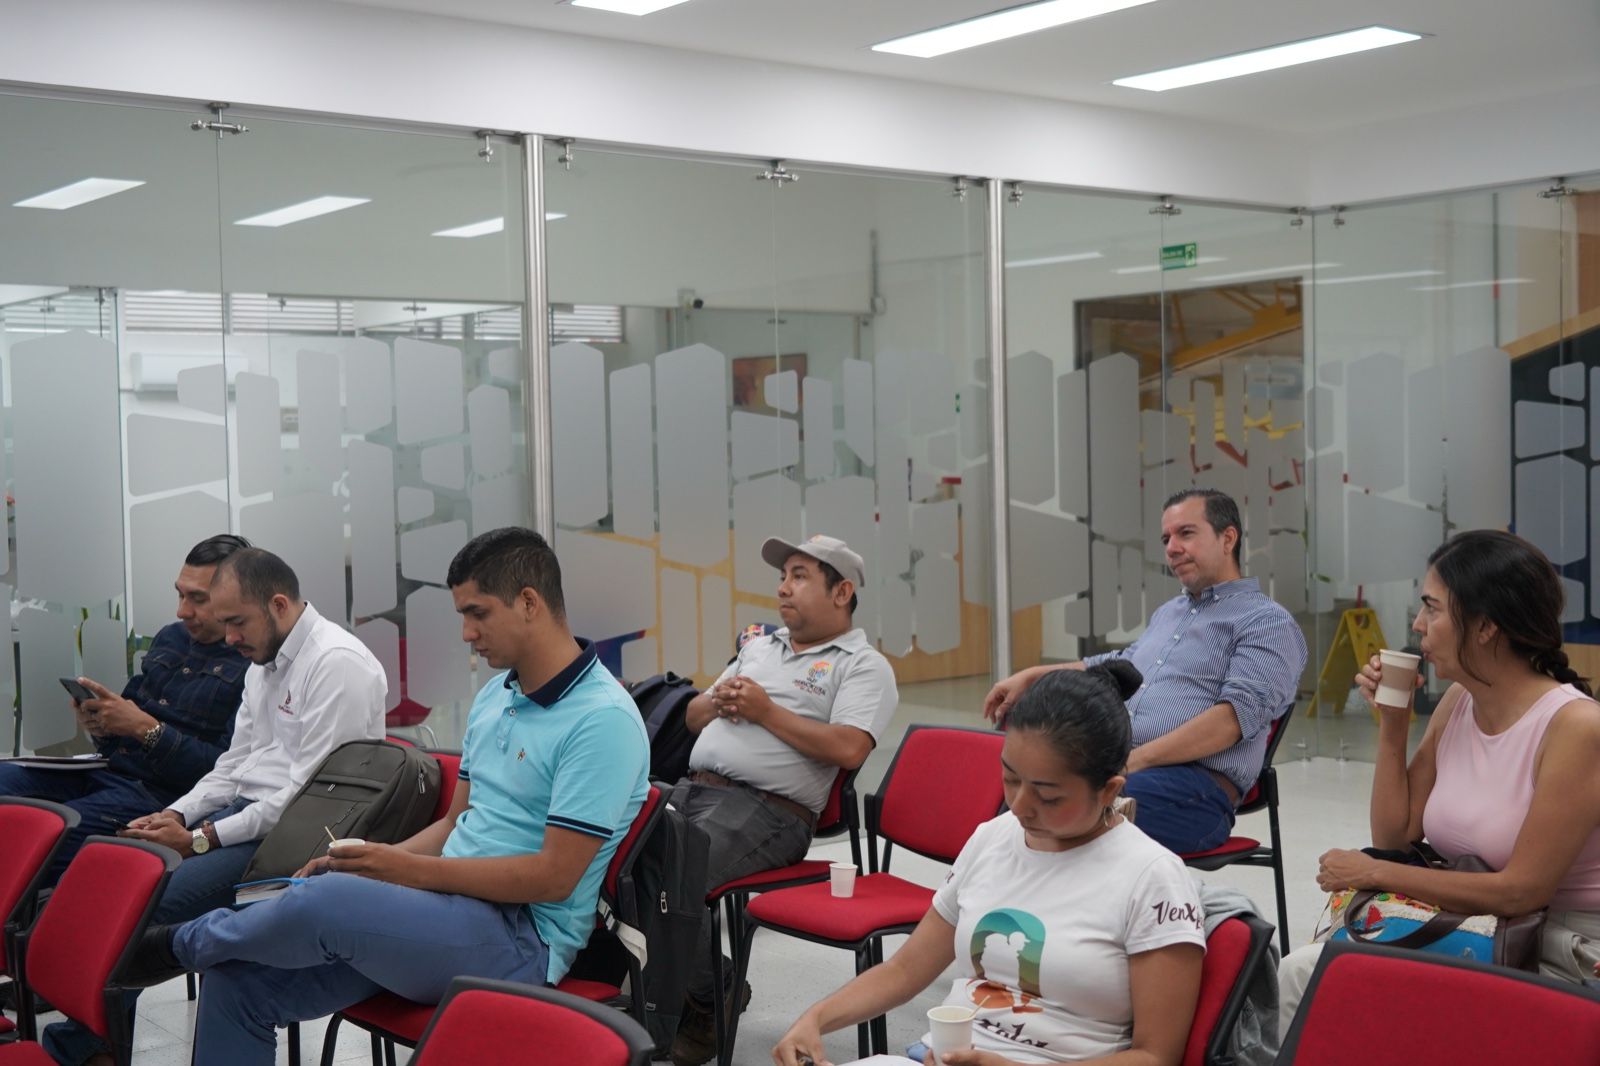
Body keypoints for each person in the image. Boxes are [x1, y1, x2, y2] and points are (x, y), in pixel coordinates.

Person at [119, 527, 650, 1066]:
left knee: (326, 900)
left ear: (529, 602)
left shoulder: (600, 719)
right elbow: (454, 824)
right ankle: (180, 946)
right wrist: (366, 863)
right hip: (445, 911)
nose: (466, 633)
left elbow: (553, 877)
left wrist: (400, 869)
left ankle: (170, 947)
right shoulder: (497, 695)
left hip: (520, 937)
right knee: (237, 980)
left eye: (478, 613)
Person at [43, 546, 388, 1066]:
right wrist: (178, 814)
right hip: (250, 821)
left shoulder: (337, 665)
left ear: (277, 605)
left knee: (142, 904)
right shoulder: (265, 661)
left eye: (236, 622)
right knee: (121, 877)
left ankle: (85, 1050)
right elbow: (234, 765)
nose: (227, 638)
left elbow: (306, 800)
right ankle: (90, 1043)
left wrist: (201, 838)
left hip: (300, 842)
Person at [773, 662, 1206, 1066]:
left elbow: (1155, 1056)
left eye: (1048, 796)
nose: (1019, 806)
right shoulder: (993, 838)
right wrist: (816, 1018)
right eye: (1010, 778)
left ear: (1109, 790)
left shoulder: (1151, 876)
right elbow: (904, 970)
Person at [1278, 530, 1600, 1030]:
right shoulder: (1459, 701)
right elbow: (1395, 836)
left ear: (1486, 626)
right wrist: (1392, 724)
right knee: (1309, 972)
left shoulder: (1575, 727)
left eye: (1432, 608)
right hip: (1478, 923)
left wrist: (1375, 873)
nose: (1417, 624)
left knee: (1312, 977)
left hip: (1557, 948)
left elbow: (1522, 891)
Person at [669, 534, 899, 1066]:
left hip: (769, 812)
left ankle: (711, 996)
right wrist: (718, 699)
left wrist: (766, 712)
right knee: (614, 852)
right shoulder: (759, 648)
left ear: (841, 592)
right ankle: (661, 996)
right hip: (695, 787)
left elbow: (850, 748)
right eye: (781, 577)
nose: (782, 588)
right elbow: (692, 717)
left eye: (799, 576)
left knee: (672, 875)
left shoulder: (862, 665)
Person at [984, 489, 1306, 854]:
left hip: (1196, 789)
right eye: (1166, 539)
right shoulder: (1170, 612)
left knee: (1067, 806)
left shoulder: (1266, 622)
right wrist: (1033, 675)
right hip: (1125, 768)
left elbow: (1231, 721)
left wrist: (1130, 761)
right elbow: (1120, 662)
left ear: (1227, 538)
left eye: (1186, 533)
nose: (1172, 548)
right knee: (1018, 790)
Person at [0, 534, 250, 884]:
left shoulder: (251, 662)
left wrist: (147, 731)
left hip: (161, 795)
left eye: (198, 599)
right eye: (180, 595)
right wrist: (103, 724)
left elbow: (227, 772)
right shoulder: (172, 637)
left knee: (37, 833)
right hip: (106, 770)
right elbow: (125, 726)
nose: (182, 611)